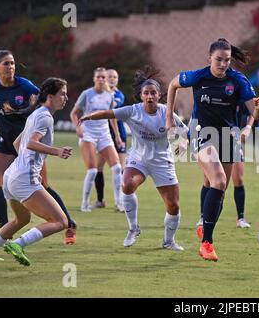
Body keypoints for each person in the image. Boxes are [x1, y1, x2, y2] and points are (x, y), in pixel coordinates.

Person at [166, 38, 259, 261]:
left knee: (217, 190)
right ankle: (207, 243)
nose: (222, 64)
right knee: (219, 180)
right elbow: (172, 85)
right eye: (218, 60)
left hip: (228, 137)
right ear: (209, 58)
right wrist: (169, 119)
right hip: (202, 132)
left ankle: (204, 226)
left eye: (227, 60)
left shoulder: (238, 80)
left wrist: (256, 113)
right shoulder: (198, 76)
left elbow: (255, 115)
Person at [78, 67, 188, 251]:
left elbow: (185, 132)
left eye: (153, 92)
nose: (150, 96)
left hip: (162, 161)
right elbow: (109, 113)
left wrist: (182, 144)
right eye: (146, 93)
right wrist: (89, 116)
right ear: (141, 95)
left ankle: (168, 241)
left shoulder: (166, 112)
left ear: (160, 95)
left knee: (174, 205)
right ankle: (133, 228)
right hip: (139, 159)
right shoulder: (131, 111)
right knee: (127, 184)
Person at [0, 50, 77, 245]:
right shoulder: (44, 116)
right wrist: (57, 151)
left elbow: (20, 143)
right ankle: (18, 245)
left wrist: (25, 163)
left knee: (22, 219)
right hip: (21, 167)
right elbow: (31, 142)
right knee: (59, 221)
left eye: (13, 63)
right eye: (63, 95)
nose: (65, 99)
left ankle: (6, 237)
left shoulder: (32, 104)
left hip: (14, 173)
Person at [70, 67, 124, 212]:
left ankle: (119, 203)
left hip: (104, 134)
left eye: (103, 77)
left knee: (117, 167)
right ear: (94, 79)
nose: (101, 80)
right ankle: (84, 203)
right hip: (88, 134)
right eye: (98, 77)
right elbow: (74, 113)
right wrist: (78, 127)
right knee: (93, 170)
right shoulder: (87, 94)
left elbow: (111, 116)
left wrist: (117, 136)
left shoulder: (109, 95)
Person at [196, 106, 255, 229]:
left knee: (238, 179)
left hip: (233, 140)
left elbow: (253, 111)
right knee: (208, 180)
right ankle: (203, 217)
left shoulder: (238, 90)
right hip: (213, 138)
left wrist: (248, 128)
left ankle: (241, 218)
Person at [93, 69, 127, 209]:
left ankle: (121, 201)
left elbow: (110, 108)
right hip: (102, 134)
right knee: (98, 167)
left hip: (118, 134)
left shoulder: (118, 95)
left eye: (115, 77)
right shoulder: (97, 94)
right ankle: (100, 200)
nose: (112, 79)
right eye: (109, 77)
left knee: (121, 168)